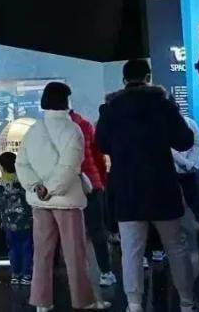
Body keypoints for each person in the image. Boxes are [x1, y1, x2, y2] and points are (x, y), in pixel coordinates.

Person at [95, 60, 199, 312]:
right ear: (148, 77)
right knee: (176, 247)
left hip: (127, 189)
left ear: (124, 80)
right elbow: (185, 141)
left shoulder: (110, 109)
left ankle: (134, 304)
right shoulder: (163, 105)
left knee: (131, 251)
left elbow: (102, 144)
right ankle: (187, 302)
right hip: (162, 187)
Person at [16, 82, 105, 312]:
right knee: (75, 254)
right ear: (66, 101)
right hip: (67, 202)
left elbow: (21, 164)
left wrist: (37, 187)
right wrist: (52, 188)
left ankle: (42, 302)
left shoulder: (33, 131)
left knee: (42, 254)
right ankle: (83, 300)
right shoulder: (72, 130)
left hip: (39, 202)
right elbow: (70, 166)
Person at [69, 106, 116, 287]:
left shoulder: (50, 129)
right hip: (92, 183)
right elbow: (97, 155)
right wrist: (102, 179)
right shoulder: (85, 125)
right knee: (97, 230)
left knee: (72, 233)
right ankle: (105, 272)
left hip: (67, 187)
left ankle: (78, 277)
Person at [0, 152, 34, 285]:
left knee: (13, 249)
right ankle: (27, 275)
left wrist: (0, 220)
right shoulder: (23, 181)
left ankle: (15, 275)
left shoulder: (0, 184)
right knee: (27, 248)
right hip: (26, 221)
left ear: (2, 167)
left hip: (9, 223)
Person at [173, 115, 199, 278]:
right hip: (175, 170)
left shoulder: (190, 122)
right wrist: (185, 163)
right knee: (176, 204)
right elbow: (168, 149)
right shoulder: (163, 123)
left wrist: (189, 162)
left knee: (195, 202)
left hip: (190, 170)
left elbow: (198, 143)